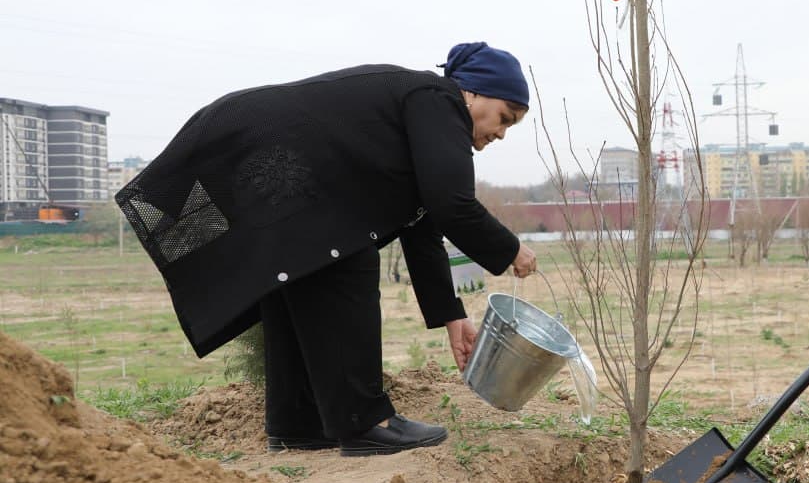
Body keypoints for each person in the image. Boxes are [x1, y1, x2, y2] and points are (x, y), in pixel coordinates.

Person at [117, 41, 538, 456]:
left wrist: (451, 315)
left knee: (301, 270)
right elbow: (453, 205)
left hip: (260, 149)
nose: (500, 133)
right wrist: (510, 250)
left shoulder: (423, 111)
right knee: (344, 257)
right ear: (472, 92)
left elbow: (424, 223)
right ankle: (366, 420)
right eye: (504, 118)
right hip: (266, 153)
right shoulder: (438, 99)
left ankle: (297, 422)